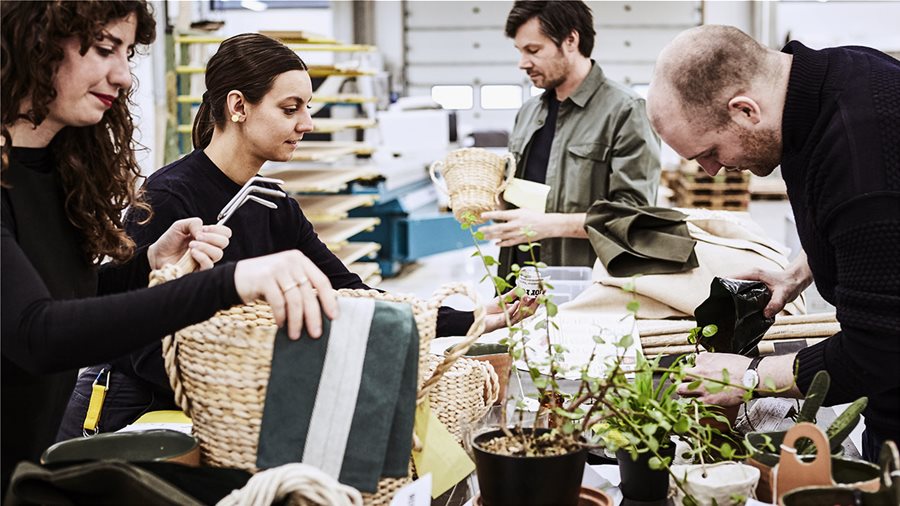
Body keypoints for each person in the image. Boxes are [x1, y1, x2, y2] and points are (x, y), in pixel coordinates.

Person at [56, 33, 535, 439]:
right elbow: (141, 342)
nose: (306, 124)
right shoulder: (169, 197)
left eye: (308, 107)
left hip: (224, 414)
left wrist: (471, 319)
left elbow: (349, 292)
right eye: (291, 109)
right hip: (134, 417)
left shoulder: (271, 202)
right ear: (238, 106)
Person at [0, 1, 340, 494]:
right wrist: (228, 282)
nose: (123, 76)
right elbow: (36, 333)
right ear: (34, 42)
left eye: (127, 54)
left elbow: (65, 292)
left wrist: (147, 264)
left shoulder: (51, 171)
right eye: (103, 49)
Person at [646, 25, 900, 462]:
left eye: (708, 151)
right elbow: (878, 237)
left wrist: (749, 376)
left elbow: (877, 351)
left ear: (745, 111)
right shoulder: (832, 81)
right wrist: (797, 274)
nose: (709, 171)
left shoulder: (860, 156)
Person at [480, 0, 661, 276]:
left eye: (533, 50)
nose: (522, 63)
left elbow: (633, 216)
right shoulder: (529, 112)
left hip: (585, 284)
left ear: (570, 40)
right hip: (518, 278)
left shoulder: (625, 111)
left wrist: (549, 225)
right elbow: (517, 192)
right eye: (520, 51)